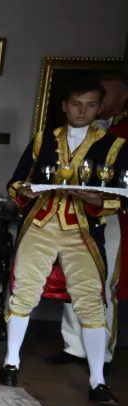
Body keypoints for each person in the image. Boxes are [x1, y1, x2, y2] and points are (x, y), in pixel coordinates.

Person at [1, 80, 126, 405]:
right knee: (24, 290)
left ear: (99, 108)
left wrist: (97, 197)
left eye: (89, 105)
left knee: (90, 300)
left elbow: (120, 196)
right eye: (76, 104)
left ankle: (97, 380)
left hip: (83, 228)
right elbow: (16, 180)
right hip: (41, 223)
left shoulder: (113, 146)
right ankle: (10, 362)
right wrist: (23, 191)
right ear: (65, 106)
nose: (82, 111)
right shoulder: (43, 139)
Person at [48, 72, 128, 368]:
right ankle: (73, 346)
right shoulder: (72, 133)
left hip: (110, 215)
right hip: (73, 214)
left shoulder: (121, 133)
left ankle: (102, 352)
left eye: (102, 97)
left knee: (103, 283)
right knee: (73, 278)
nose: (90, 105)